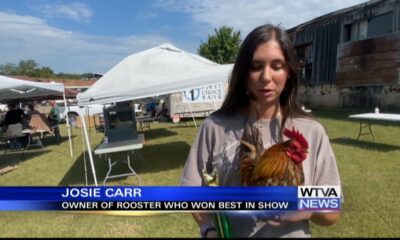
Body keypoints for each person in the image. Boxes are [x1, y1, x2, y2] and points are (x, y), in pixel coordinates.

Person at [180, 24, 342, 238]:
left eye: (277, 66)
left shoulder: (312, 130)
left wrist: (307, 209)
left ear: (289, 73)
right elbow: (192, 192)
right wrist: (208, 228)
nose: (266, 76)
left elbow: (331, 211)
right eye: (256, 66)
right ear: (244, 72)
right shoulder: (215, 127)